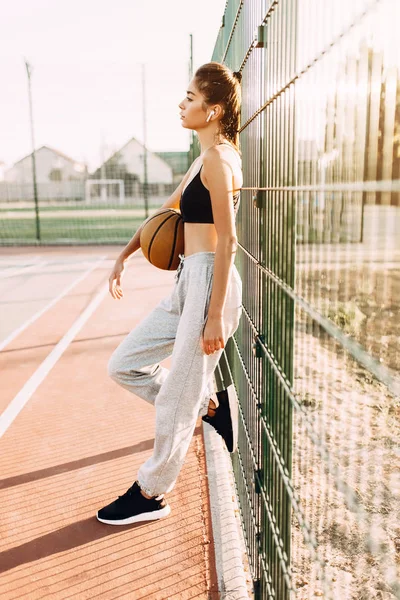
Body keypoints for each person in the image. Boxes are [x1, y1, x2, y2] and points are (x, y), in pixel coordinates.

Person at [97, 62, 243, 525]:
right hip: (186, 281)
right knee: (124, 364)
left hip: (209, 285)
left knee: (176, 402)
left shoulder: (220, 159)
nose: (181, 105)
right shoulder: (201, 159)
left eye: (190, 98)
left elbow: (229, 240)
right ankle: (213, 405)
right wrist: (124, 254)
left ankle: (151, 493)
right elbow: (166, 212)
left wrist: (216, 313)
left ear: (213, 109)